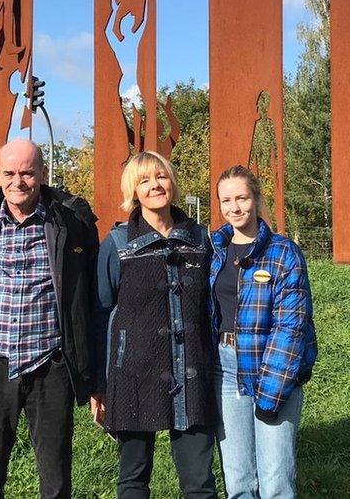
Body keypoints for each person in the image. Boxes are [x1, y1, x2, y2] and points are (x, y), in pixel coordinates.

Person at [0, 139, 99, 499]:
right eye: (11, 173)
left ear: (43, 175)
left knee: (56, 480)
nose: (19, 181)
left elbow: (88, 285)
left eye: (28, 172)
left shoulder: (70, 220)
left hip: (50, 366)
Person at [93, 150, 218, 499]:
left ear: (172, 182)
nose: (154, 186)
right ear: (133, 190)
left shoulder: (201, 239)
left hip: (191, 374)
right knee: (133, 480)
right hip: (132, 374)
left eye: (160, 177)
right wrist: (100, 383)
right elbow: (102, 312)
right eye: (144, 180)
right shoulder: (118, 243)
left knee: (200, 484)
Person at [211, 165, 318, 499]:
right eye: (226, 200)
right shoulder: (215, 251)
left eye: (242, 198)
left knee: (275, 481)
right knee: (238, 477)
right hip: (226, 371)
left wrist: (271, 393)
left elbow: (292, 327)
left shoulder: (283, 253)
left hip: (272, 369)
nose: (235, 207)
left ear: (255, 198)